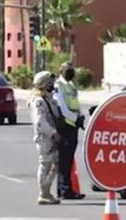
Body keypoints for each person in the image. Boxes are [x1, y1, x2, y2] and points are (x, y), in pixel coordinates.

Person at [54, 62, 86, 200]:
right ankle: (64, 190)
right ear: (61, 71)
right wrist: (74, 118)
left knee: (69, 160)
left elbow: (75, 103)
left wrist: (80, 117)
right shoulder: (58, 86)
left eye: (72, 70)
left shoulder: (71, 85)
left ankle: (67, 189)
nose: (71, 73)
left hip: (73, 125)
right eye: (68, 70)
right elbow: (61, 107)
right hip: (65, 126)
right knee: (64, 160)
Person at [30, 71, 61, 205]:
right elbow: (40, 122)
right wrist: (53, 132)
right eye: (49, 83)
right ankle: (44, 193)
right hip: (45, 138)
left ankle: (47, 191)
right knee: (45, 164)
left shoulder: (48, 98)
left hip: (50, 137)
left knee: (55, 163)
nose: (52, 85)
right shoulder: (39, 101)